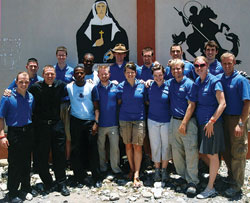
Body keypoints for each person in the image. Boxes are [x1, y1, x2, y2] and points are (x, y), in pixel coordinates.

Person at [28, 66, 70, 196]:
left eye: (52, 74)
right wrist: (9, 91)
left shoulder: (61, 85)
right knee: (42, 156)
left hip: (57, 125)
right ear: (43, 75)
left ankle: (61, 183)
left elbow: (75, 85)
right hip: (41, 126)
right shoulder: (35, 87)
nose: (50, 76)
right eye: (47, 74)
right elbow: (20, 90)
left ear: (55, 75)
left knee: (59, 155)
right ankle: (48, 182)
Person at [193, 56, 226, 199]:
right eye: (196, 65)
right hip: (201, 123)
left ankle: (210, 187)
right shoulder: (197, 81)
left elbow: (222, 103)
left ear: (207, 65)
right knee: (205, 152)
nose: (199, 68)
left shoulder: (214, 81)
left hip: (210, 124)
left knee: (212, 155)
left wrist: (212, 121)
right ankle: (215, 175)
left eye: (202, 65)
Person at [218, 52, 250, 197]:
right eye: (224, 63)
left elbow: (247, 103)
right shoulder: (221, 79)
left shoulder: (241, 80)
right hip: (224, 119)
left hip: (237, 119)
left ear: (234, 62)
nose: (227, 66)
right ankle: (231, 177)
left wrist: (241, 123)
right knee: (227, 151)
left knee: (238, 152)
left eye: (229, 63)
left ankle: (237, 185)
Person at [0, 72, 35, 203]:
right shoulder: (7, 97)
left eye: (26, 82)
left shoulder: (31, 97)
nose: (24, 84)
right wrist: (2, 135)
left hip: (28, 132)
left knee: (26, 162)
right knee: (14, 163)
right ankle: (13, 192)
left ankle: (25, 188)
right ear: (16, 82)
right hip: (14, 133)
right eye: (21, 82)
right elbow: (1, 117)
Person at [168, 59, 199, 196]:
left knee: (191, 152)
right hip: (174, 121)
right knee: (177, 152)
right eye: (173, 69)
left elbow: (191, 105)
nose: (176, 71)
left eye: (178, 69)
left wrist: (184, 123)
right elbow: (158, 82)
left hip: (187, 122)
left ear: (183, 69)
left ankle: (193, 181)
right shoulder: (171, 83)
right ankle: (183, 177)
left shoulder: (189, 84)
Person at [67, 65, 101, 188]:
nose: (80, 75)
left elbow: (97, 107)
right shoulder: (69, 87)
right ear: (74, 75)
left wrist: (96, 123)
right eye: (77, 73)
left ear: (85, 74)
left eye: (81, 73)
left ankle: (96, 177)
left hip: (89, 122)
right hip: (75, 121)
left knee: (93, 150)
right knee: (76, 151)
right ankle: (79, 177)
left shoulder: (92, 87)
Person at [117, 62, 146, 187]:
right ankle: (131, 168)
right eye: (128, 72)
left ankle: (137, 173)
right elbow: (118, 101)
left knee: (138, 146)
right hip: (125, 119)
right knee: (128, 146)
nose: (130, 74)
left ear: (135, 73)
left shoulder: (142, 85)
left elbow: (147, 101)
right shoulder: (120, 86)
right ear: (124, 73)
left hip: (139, 119)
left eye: (132, 72)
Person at [146, 64, 171, 182]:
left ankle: (165, 170)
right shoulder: (150, 86)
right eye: (155, 75)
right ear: (152, 76)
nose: (158, 77)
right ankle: (157, 170)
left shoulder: (169, 85)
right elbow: (146, 101)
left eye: (160, 75)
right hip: (152, 120)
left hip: (166, 121)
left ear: (164, 74)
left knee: (166, 146)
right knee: (155, 146)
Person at [96, 65, 122, 175]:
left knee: (114, 148)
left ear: (109, 74)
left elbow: (119, 102)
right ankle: (102, 168)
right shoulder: (95, 88)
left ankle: (115, 168)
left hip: (113, 123)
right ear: (98, 75)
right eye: (101, 74)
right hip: (101, 124)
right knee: (101, 148)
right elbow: (95, 105)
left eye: (106, 73)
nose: (104, 76)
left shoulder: (116, 87)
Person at [54, 46, 74, 166]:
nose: (61, 57)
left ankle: (67, 159)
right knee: (56, 134)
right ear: (56, 56)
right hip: (55, 105)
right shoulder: (52, 70)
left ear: (66, 56)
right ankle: (58, 160)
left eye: (63, 55)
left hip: (67, 104)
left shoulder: (71, 71)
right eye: (59, 55)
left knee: (68, 134)